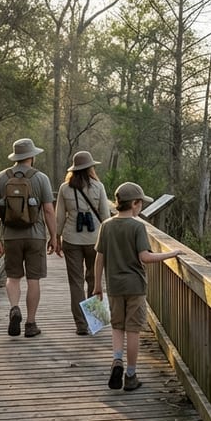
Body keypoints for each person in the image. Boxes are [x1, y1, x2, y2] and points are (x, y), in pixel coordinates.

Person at [93, 182, 181, 391]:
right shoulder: (137, 226)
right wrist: (171, 254)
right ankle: (130, 375)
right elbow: (145, 257)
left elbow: (99, 258)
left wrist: (98, 285)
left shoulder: (106, 225)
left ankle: (116, 360)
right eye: (140, 203)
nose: (141, 207)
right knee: (133, 331)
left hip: (113, 286)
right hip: (135, 286)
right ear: (134, 204)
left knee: (117, 327)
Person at [0, 138, 58, 338]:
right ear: (31, 156)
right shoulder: (41, 178)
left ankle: (14, 307)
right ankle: (30, 323)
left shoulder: (1, 177)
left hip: (10, 235)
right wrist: (53, 236)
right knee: (33, 279)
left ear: (16, 156)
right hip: (35, 236)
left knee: (13, 277)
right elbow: (48, 210)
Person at [54, 150, 111, 335]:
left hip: (71, 239)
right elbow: (105, 216)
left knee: (75, 282)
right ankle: (94, 321)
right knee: (94, 279)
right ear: (90, 168)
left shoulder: (64, 188)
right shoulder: (98, 187)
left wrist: (55, 237)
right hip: (95, 240)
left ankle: (80, 324)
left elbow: (60, 217)